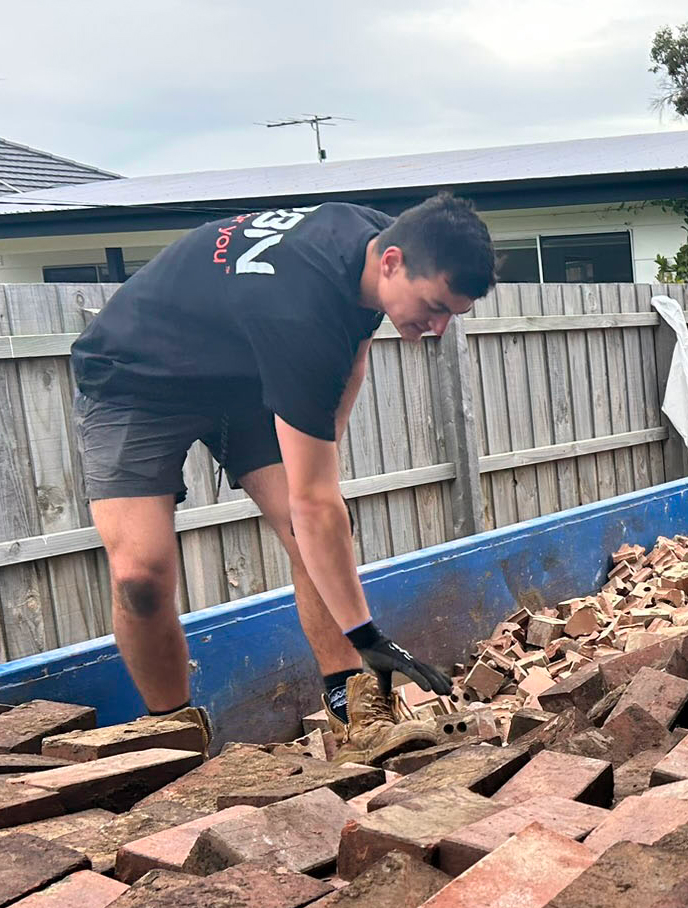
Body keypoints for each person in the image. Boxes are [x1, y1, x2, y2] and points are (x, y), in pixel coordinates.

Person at [70, 193, 495, 760]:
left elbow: (356, 351)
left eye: (451, 315)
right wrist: (369, 634)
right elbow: (312, 503)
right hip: (136, 379)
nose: (438, 327)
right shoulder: (300, 309)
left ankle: (358, 715)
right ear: (392, 262)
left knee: (316, 531)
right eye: (434, 305)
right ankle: (173, 742)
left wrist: (323, 466)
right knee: (140, 577)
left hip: (249, 378)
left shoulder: (375, 239)